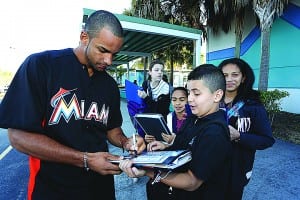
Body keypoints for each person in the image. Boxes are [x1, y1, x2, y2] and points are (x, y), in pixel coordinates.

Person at [0, 10, 146, 200]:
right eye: (103, 50)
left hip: (99, 189)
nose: (108, 61)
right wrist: (85, 159)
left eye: (114, 54)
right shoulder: (42, 66)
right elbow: (19, 137)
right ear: (84, 37)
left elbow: (112, 129)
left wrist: (127, 142)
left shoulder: (109, 85)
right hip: (52, 190)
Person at [120, 64, 232, 200]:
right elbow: (183, 147)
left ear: (217, 95)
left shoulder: (214, 132)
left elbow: (192, 182)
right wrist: (165, 147)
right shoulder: (193, 118)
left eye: (196, 93)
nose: (190, 98)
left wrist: (148, 172)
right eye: (189, 92)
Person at [218, 58, 275, 200]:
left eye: (235, 75)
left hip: (237, 171)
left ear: (243, 78)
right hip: (210, 167)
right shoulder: (211, 101)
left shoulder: (253, 106)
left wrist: (239, 136)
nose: (229, 79)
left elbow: (267, 140)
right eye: (224, 75)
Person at [137, 59, 171, 138]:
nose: (160, 72)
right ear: (150, 72)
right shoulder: (146, 83)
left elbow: (160, 109)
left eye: (161, 70)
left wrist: (146, 97)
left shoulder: (165, 88)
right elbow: (143, 103)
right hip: (147, 118)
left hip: (161, 121)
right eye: (156, 70)